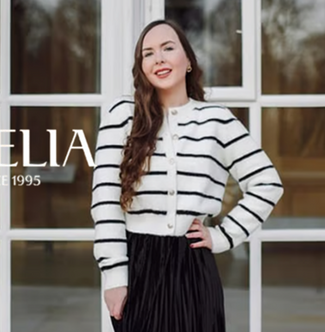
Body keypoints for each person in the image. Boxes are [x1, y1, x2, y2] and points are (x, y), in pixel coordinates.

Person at [91, 19, 283, 332]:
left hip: (193, 264)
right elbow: (105, 202)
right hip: (138, 264)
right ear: (142, 68)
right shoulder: (121, 116)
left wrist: (222, 236)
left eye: (168, 48)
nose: (159, 59)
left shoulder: (217, 120)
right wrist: (114, 275)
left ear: (189, 60)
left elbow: (267, 183)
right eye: (148, 53)